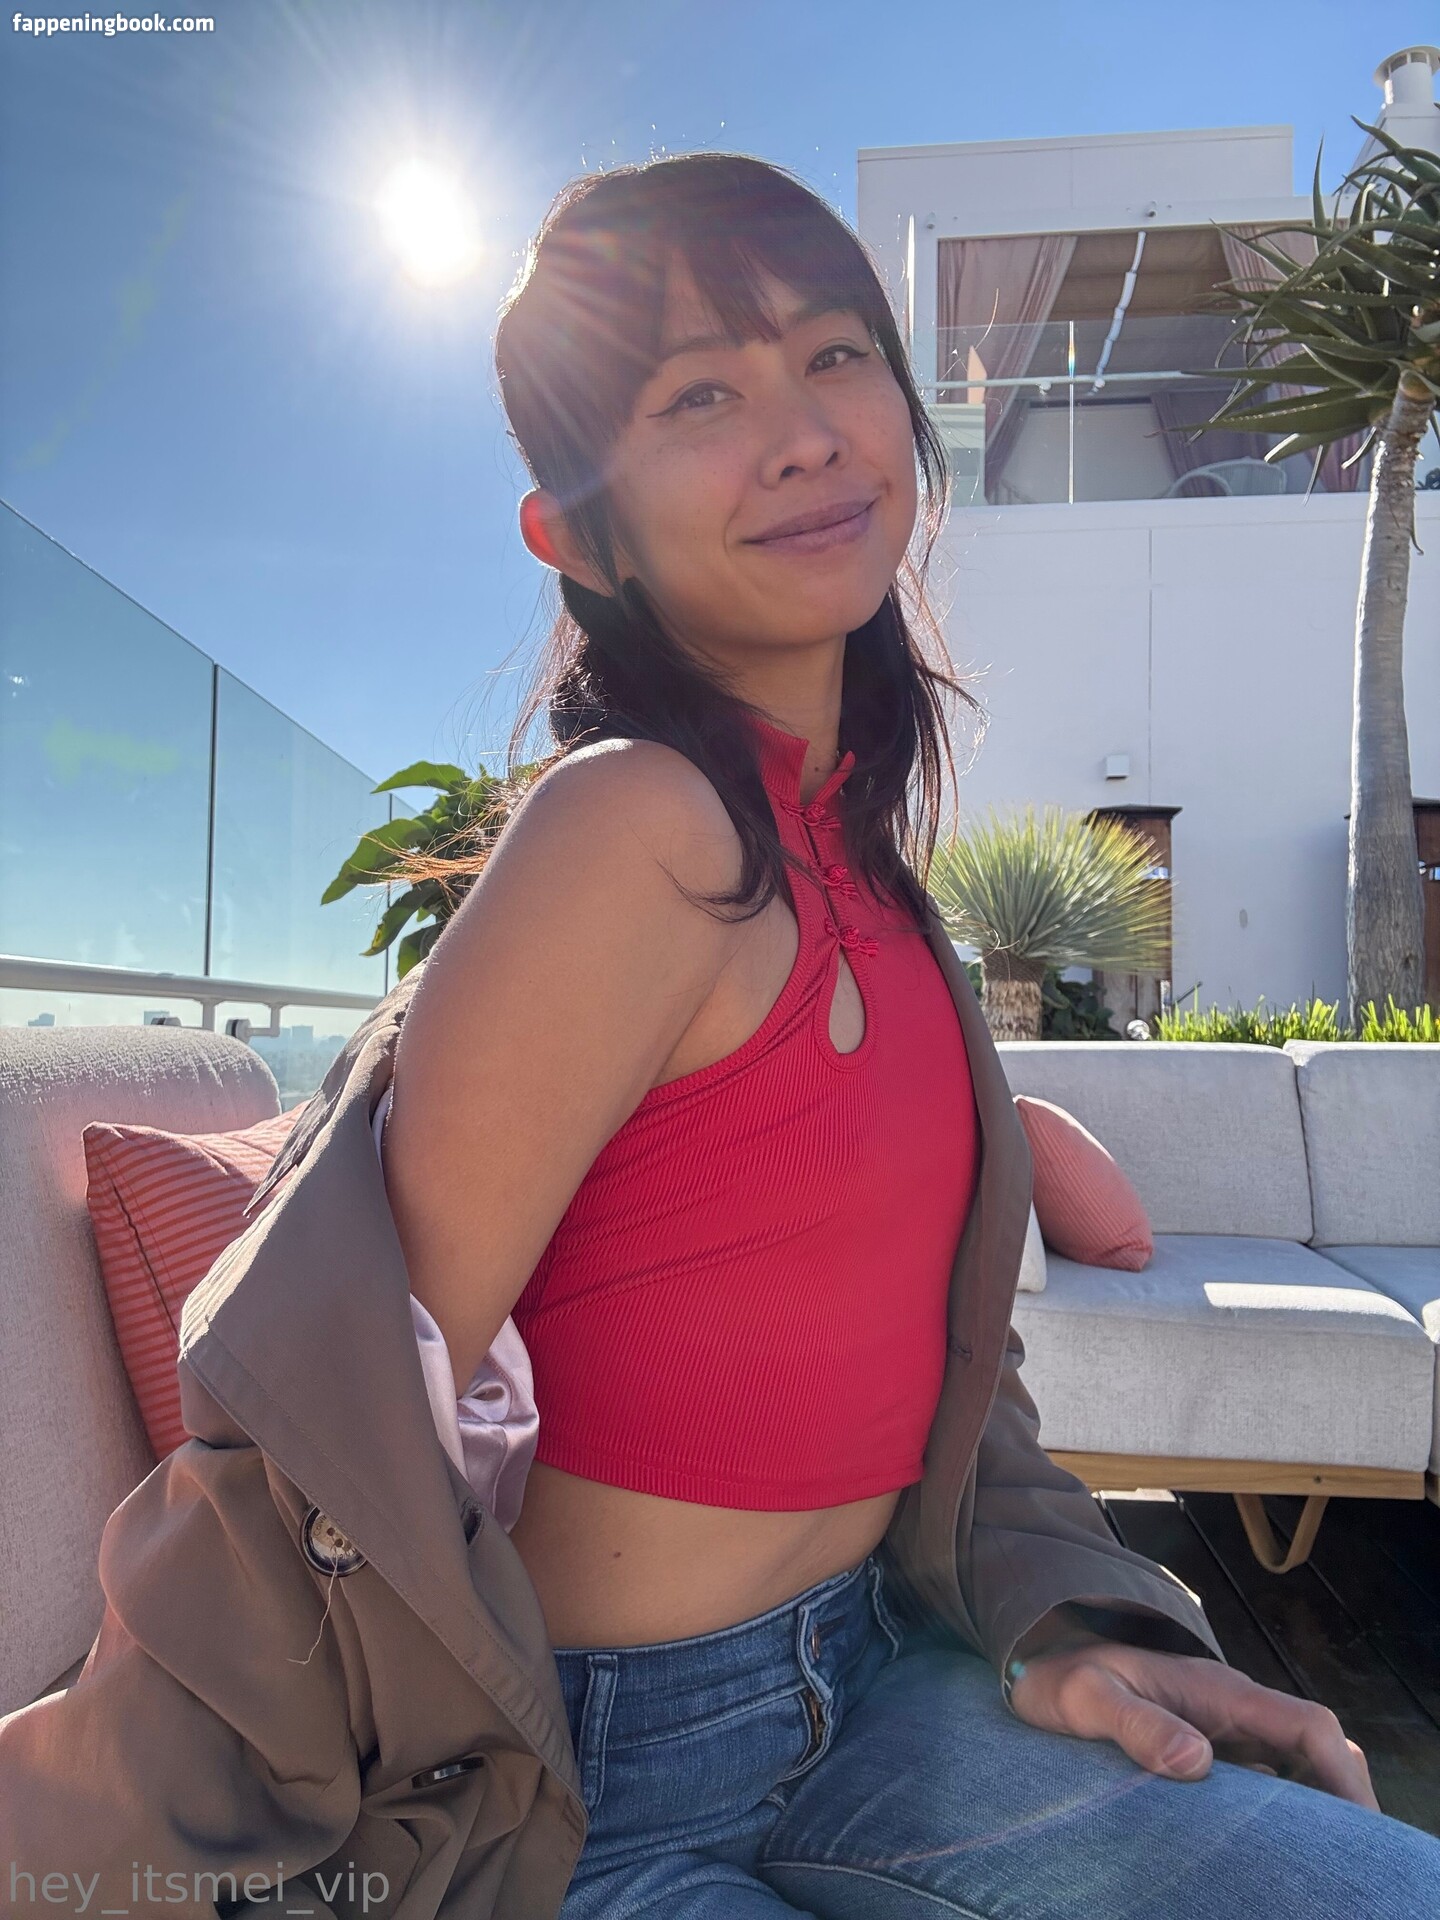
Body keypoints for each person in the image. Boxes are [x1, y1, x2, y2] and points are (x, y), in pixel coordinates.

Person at [2, 151, 1437, 1920]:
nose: (804, 433)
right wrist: (97, 1847)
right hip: (573, 1794)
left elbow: (937, 1362)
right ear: (578, 535)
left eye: (835, 355)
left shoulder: (873, 873)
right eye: (698, 396)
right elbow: (336, 1418)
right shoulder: (634, 830)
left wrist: (1059, 1620)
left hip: (890, 1682)